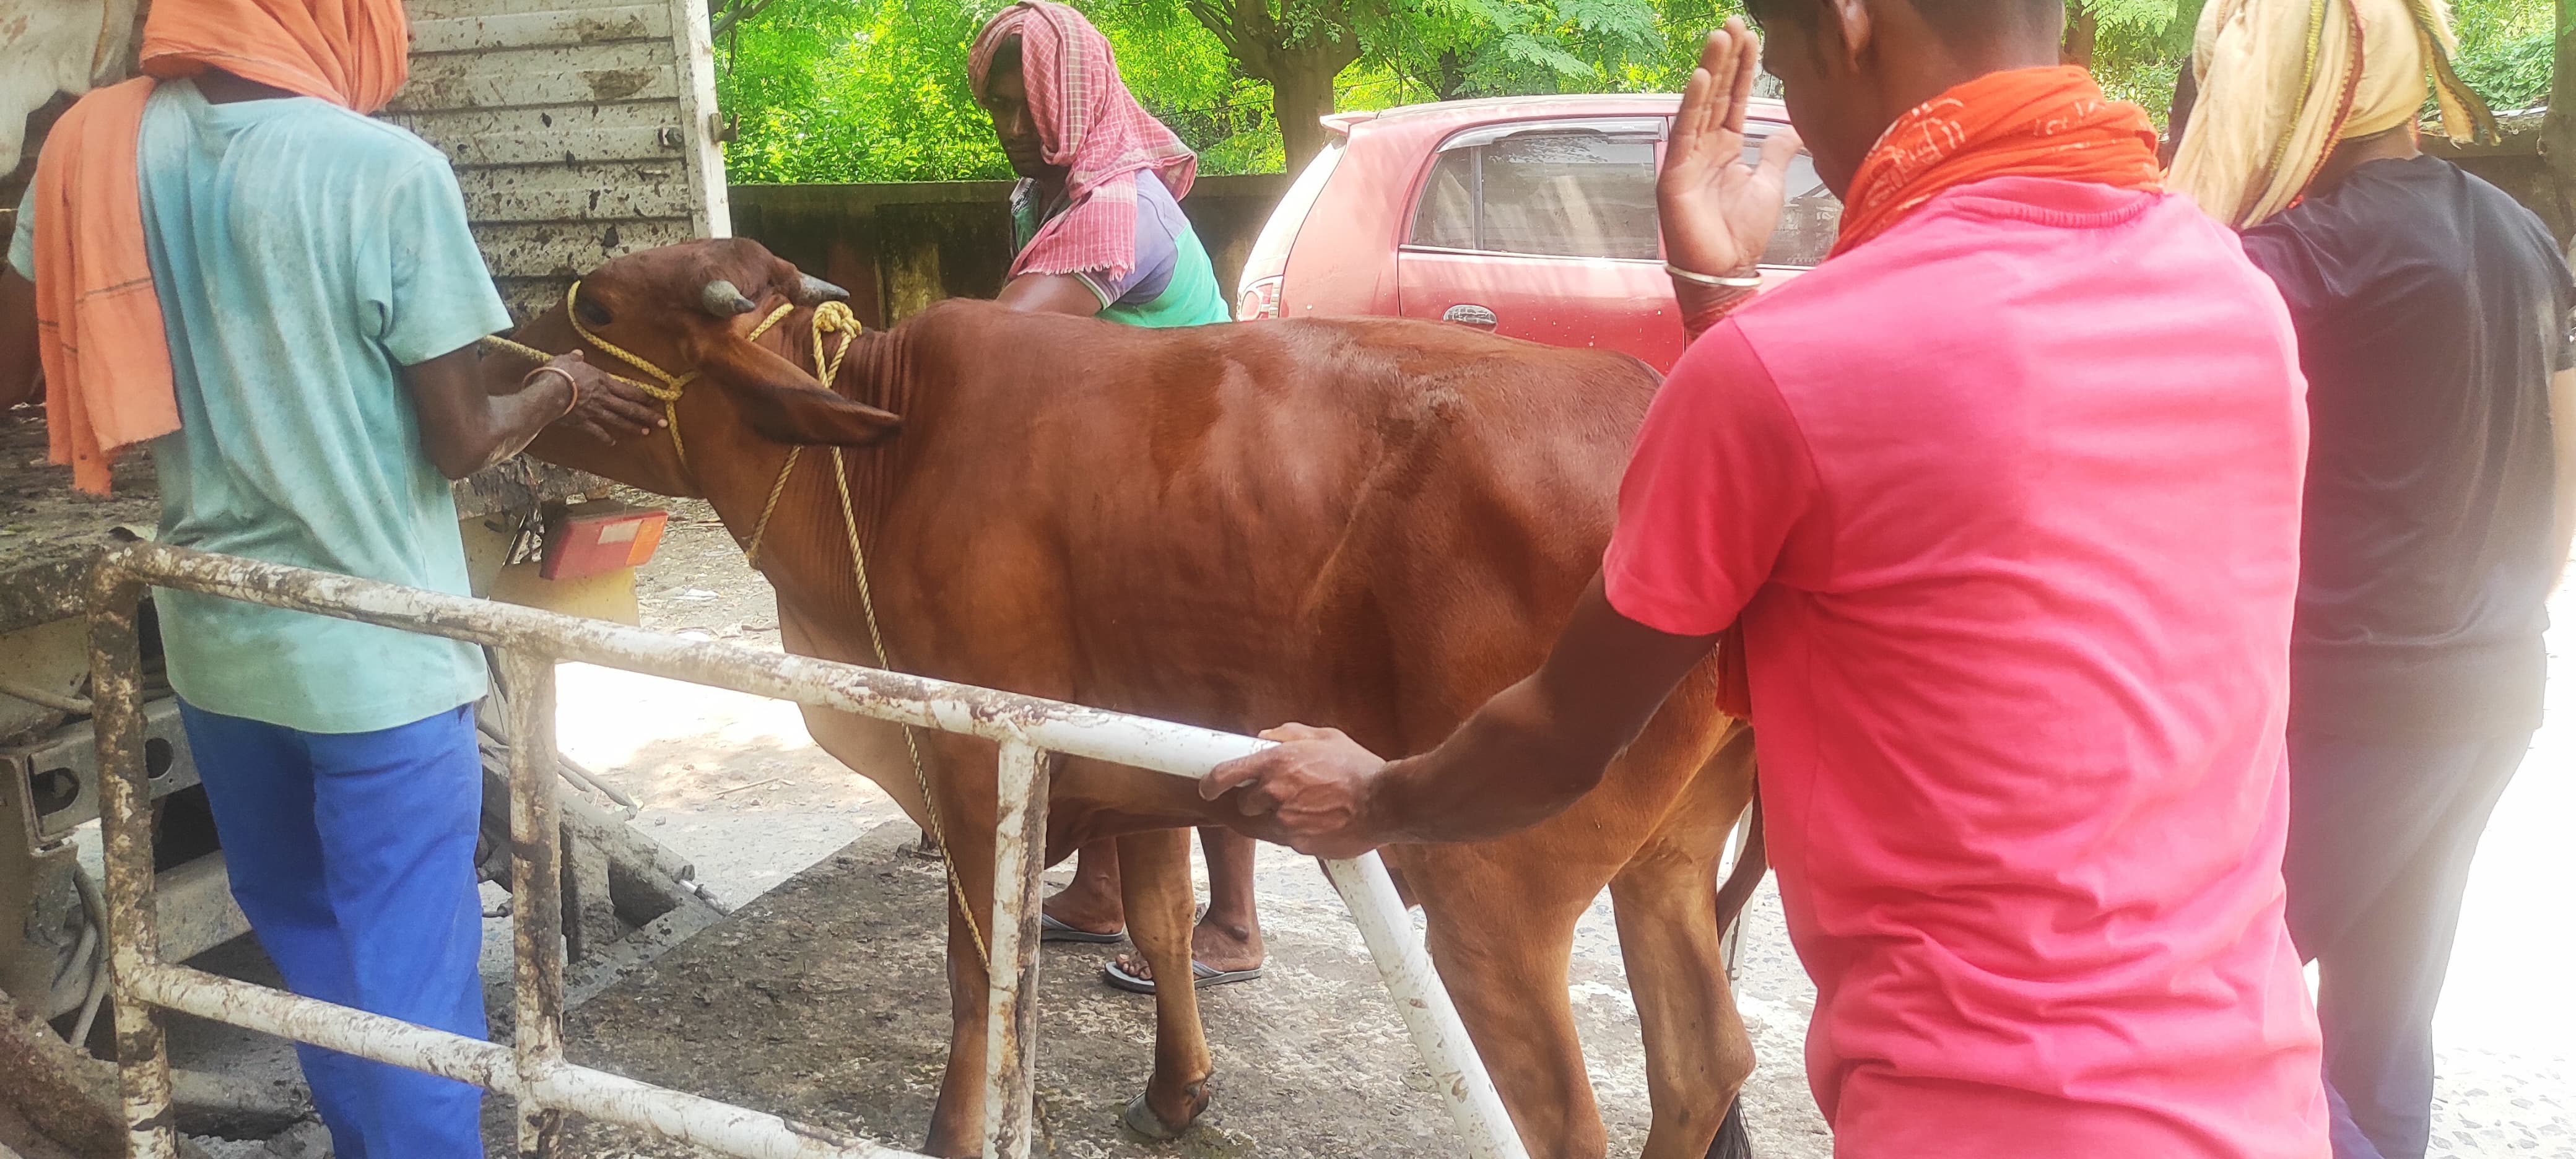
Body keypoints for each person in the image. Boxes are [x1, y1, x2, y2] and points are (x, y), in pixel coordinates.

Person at [1204, 4, 2334, 1155]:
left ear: (1851, 22)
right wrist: (1716, 298)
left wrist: (1375, 798)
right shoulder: (2237, 303)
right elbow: (1948, 533)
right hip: (2257, 1098)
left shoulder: (1788, 370)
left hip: (1979, 1116)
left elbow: (1559, 737)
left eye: (1789, 72)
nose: (1797, 116)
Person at [0, 1, 659, 1153]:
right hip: (379, 657)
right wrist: (556, 386)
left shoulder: (94, 149)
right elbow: (460, 439)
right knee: (410, 974)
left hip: (218, 643)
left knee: (305, 940)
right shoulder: (386, 169)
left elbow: (13, 366)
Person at [2170, 1, 2576, 1156]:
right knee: (2386, 1031)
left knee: (2196, 1000)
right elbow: (2564, 483)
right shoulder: (2516, 230)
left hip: (2352, 706)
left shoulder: (2296, 257)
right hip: (2495, 692)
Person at [965, 0, 1261, 996]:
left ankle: (1234, 921)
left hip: (1197, 466)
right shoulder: (1041, 193)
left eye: (1024, 104)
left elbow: (998, 353)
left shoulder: (1110, 211)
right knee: (1103, 690)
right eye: (997, 105)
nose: (1008, 124)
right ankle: (1099, 890)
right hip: (1125, 463)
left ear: (1072, 96)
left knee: (1186, 700)